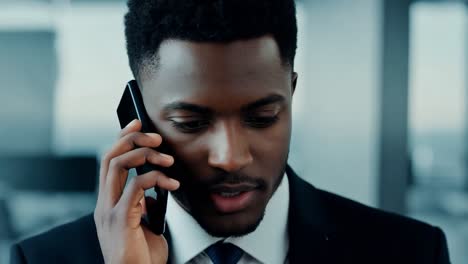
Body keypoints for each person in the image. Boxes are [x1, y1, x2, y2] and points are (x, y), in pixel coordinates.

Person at [10, 0, 450, 263]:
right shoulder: (45, 260)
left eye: (262, 118)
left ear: (291, 94)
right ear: (138, 115)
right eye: (192, 123)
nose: (230, 157)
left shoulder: (410, 253)